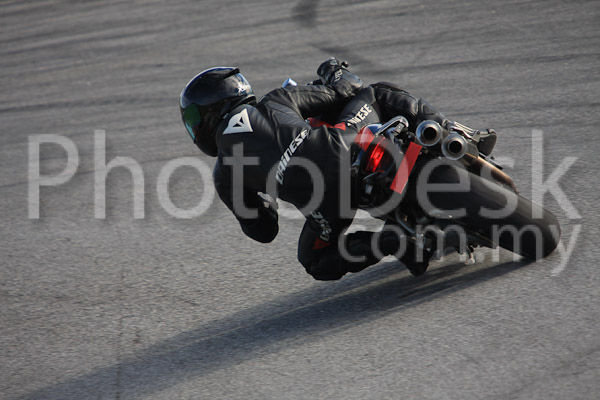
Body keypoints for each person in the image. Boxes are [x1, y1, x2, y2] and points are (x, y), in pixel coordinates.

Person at [179, 58, 484, 280]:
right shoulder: (274, 101)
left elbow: (264, 231)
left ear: (210, 112)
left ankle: (393, 241)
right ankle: (449, 131)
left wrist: (266, 198)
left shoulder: (224, 175)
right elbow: (346, 89)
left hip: (326, 207)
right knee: (374, 93)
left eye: (194, 118)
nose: (194, 127)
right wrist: (334, 70)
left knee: (315, 260)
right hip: (346, 148)